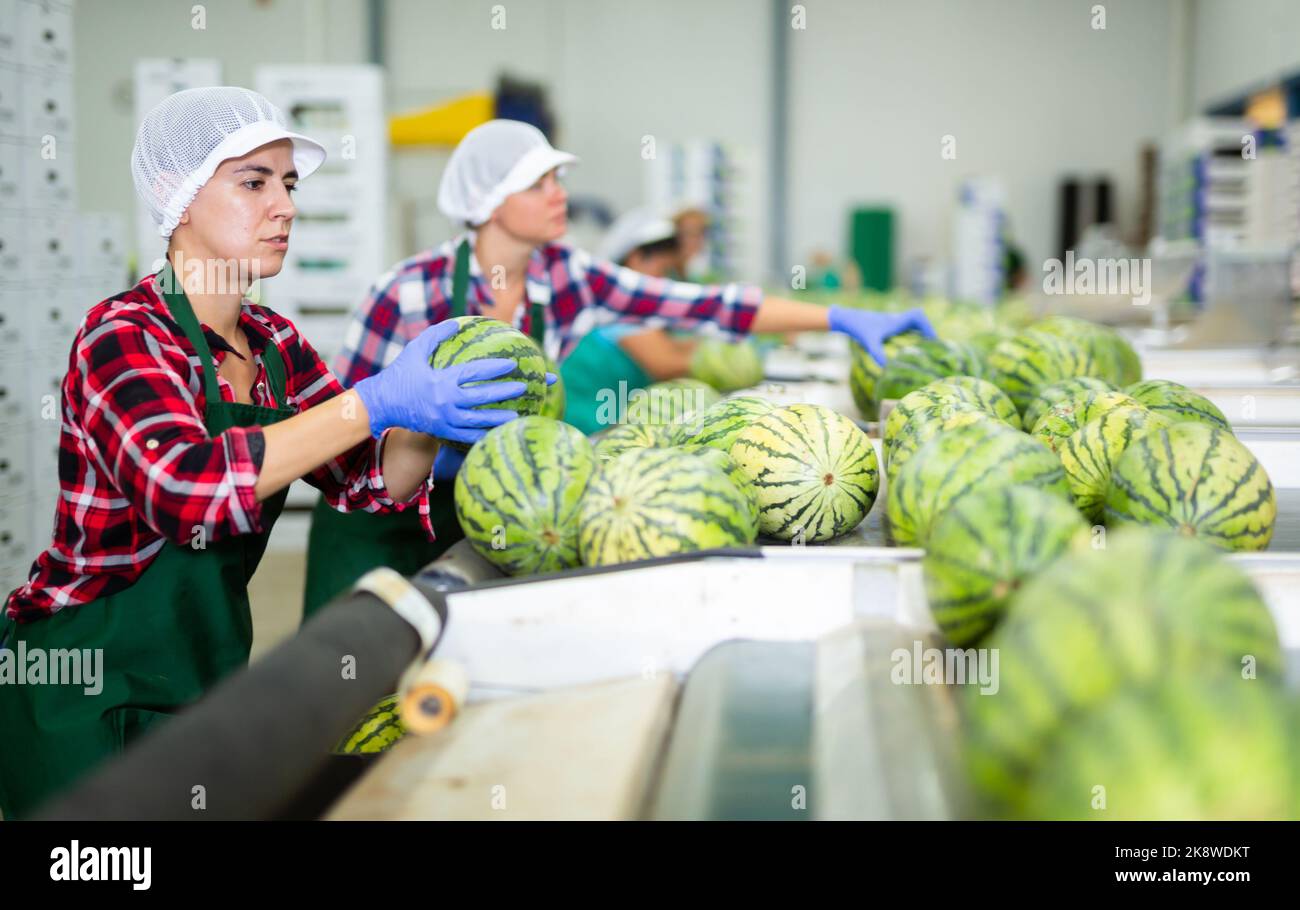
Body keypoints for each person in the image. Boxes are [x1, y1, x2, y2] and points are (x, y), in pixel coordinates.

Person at [0, 88, 539, 819]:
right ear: (180, 197)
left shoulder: (277, 343)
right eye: (253, 182)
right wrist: (373, 401)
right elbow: (185, 489)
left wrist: (430, 416)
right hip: (82, 684)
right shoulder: (123, 337)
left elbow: (368, 483)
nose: (284, 206)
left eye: (288, 184)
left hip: (203, 673)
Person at [301, 119, 934, 619]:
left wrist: (838, 319)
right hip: (372, 525)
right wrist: (419, 448)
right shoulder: (406, 290)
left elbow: (708, 306)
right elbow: (341, 422)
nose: (560, 195)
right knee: (343, 702)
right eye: (539, 184)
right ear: (490, 202)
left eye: (558, 180)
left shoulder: (566, 275)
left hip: (497, 509)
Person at [561, 208, 698, 433]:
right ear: (636, 258)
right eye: (662, 269)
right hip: (587, 427)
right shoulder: (617, 305)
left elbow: (672, 347)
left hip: (607, 423)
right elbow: (666, 364)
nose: (663, 280)